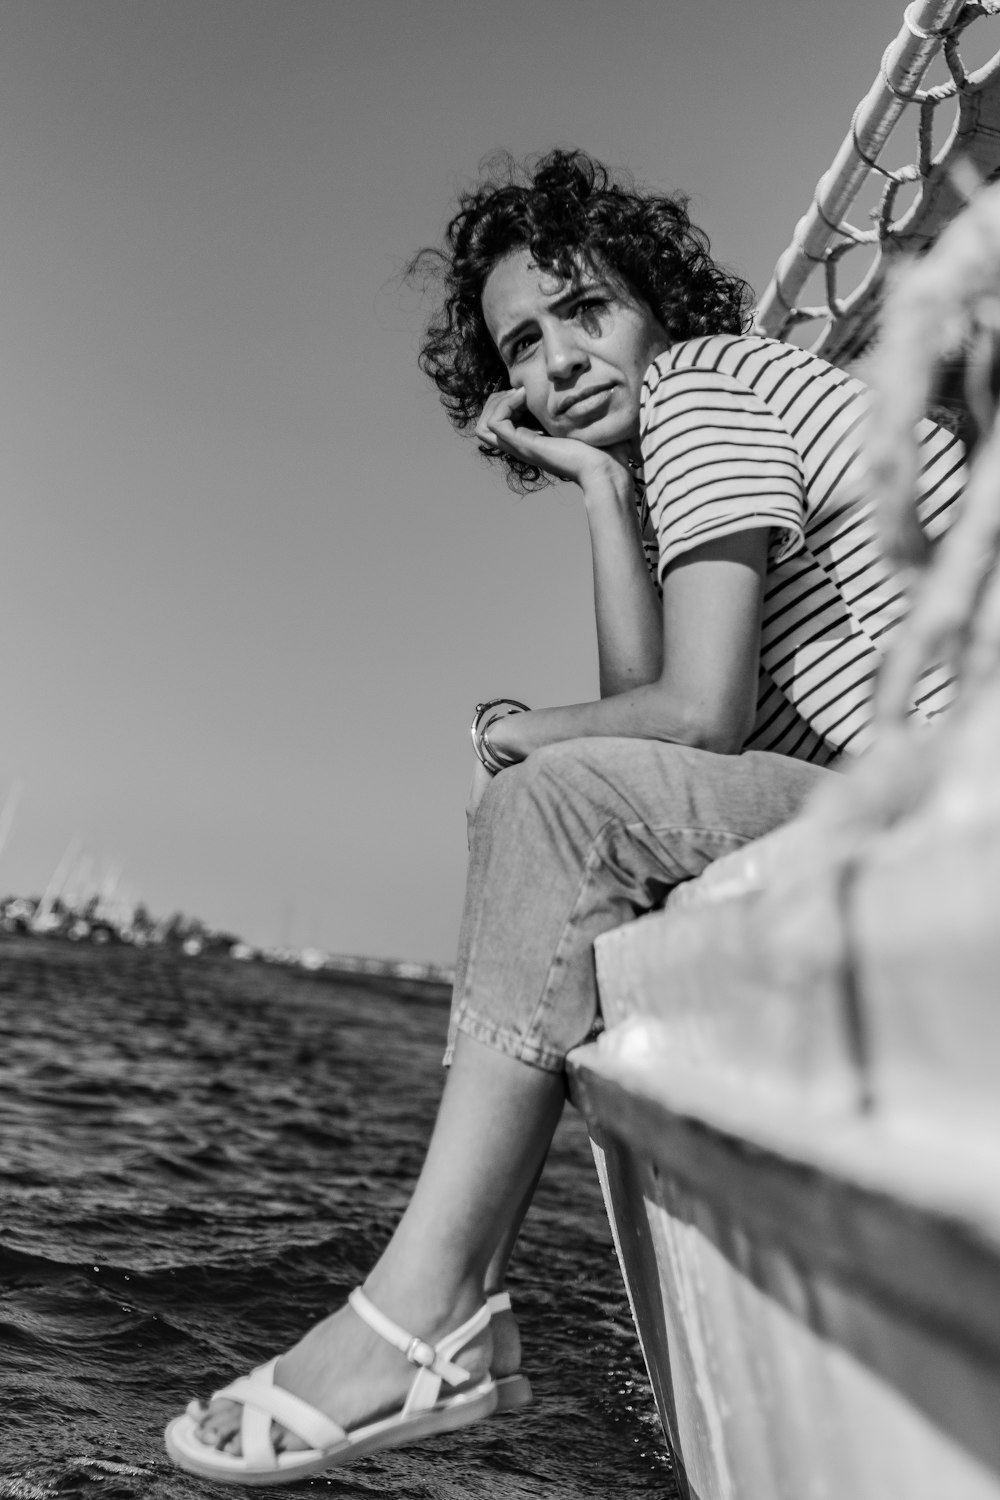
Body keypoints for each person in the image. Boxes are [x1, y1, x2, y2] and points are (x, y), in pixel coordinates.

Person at [165, 149, 964, 1484]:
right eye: (521, 347)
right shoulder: (687, 443)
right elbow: (654, 717)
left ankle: (424, 1309)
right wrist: (598, 491)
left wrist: (511, 735)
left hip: (945, 780)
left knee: (543, 802)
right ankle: (437, 1302)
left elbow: (690, 718)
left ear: (660, 306)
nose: (558, 362)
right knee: (558, 801)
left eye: (586, 310)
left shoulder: (709, 388)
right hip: (913, 790)